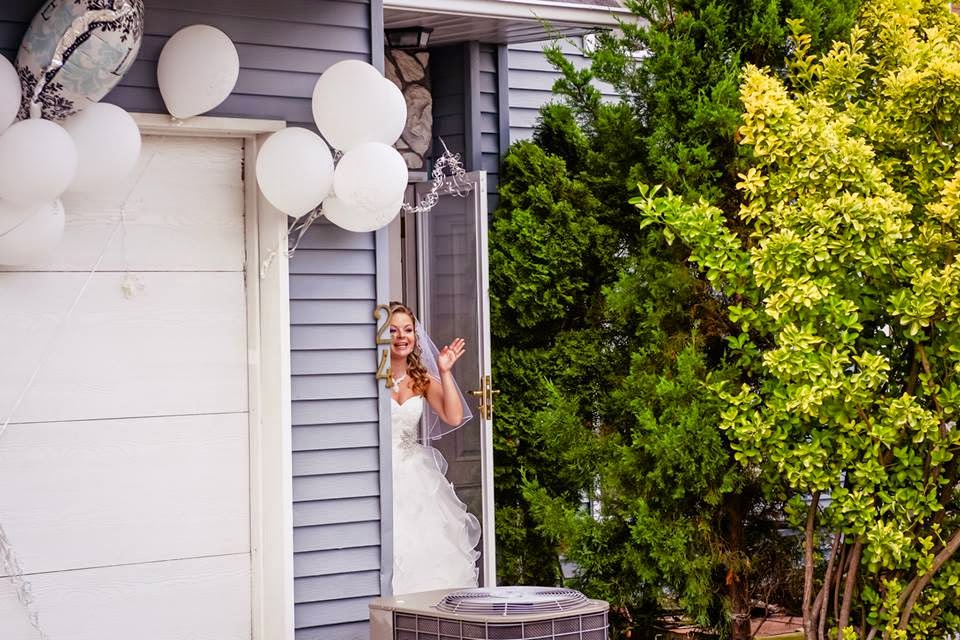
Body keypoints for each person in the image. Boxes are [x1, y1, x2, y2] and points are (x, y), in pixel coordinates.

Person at [387, 301, 481, 594]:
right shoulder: (373, 376)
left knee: (427, 548)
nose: (401, 337)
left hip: (414, 472)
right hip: (382, 470)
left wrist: (445, 371)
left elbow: (453, 416)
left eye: (408, 330)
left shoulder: (421, 378)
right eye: (393, 330)